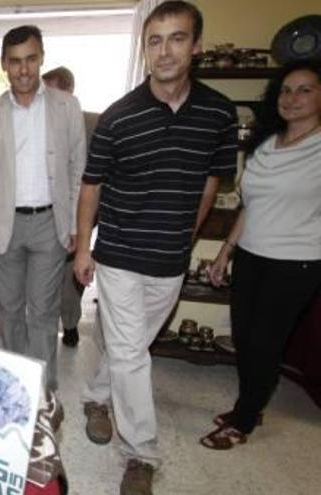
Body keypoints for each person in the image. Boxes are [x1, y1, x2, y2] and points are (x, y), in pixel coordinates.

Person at [73, 2, 237, 494]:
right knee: (130, 353)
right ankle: (141, 453)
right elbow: (91, 188)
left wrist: (189, 232)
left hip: (169, 260)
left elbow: (212, 181)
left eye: (177, 38)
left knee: (131, 349)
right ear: (144, 49)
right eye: (154, 40)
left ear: (197, 45)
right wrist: (85, 249)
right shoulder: (119, 117)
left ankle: (95, 397)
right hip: (120, 253)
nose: (164, 50)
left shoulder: (219, 112)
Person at [200, 59, 321, 450]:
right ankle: (249, 405)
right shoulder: (265, 143)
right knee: (245, 338)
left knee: (266, 343)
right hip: (252, 253)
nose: (293, 98)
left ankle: (244, 419)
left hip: (297, 262)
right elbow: (250, 206)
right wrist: (225, 253)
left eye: (305, 89)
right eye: (286, 90)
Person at [0, 25, 86, 390]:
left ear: (41, 59)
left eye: (30, 59)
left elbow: (78, 169)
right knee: (10, 312)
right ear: (4, 64)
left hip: (50, 225)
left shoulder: (67, 107)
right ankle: (18, 386)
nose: (23, 69)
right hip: (5, 227)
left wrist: (77, 227)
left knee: (44, 312)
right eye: (15, 61)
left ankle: (44, 392)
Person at [41, 66, 100, 347]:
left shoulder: (93, 123)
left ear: (69, 90)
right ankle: (44, 326)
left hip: (80, 214)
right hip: (43, 212)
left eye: (52, 91)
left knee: (70, 274)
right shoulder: (37, 121)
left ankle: (71, 321)